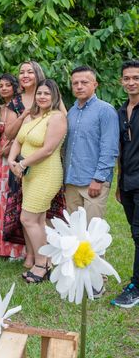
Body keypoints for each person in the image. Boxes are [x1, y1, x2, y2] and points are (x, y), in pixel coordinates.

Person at [8, 79, 66, 284]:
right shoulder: (32, 117)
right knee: (38, 220)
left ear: (54, 96)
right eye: (39, 93)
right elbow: (17, 140)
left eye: (46, 94)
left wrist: (22, 165)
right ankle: (46, 261)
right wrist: (11, 160)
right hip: (28, 174)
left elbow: (48, 149)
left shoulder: (57, 117)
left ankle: (42, 263)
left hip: (46, 173)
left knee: (28, 219)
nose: (42, 97)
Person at [64, 66, 119, 221]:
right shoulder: (71, 112)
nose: (79, 86)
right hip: (71, 182)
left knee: (92, 234)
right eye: (75, 83)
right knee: (73, 234)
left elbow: (110, 148)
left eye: (84, 82)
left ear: (95, 84)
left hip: (93, 183)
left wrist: (99, 179)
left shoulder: (105, 110)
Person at [0, 74, 26, 259]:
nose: (3, 88)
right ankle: (0, 246)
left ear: (15, 87)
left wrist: (9, 148)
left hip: (16, 156)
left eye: (7, 85)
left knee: (14, 197)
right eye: (1, 85)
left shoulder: (20, 107)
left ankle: (16, 248)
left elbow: (23, 133)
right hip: (0, 158)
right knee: (0, 197)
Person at [112, 60, 139, 308]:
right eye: (127, 78)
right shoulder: (121, 112)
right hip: (128, 181)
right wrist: (119, 184)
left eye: (136, 78)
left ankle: (135, 287)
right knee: (135, 233)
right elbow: (121, 150)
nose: (131, 82)